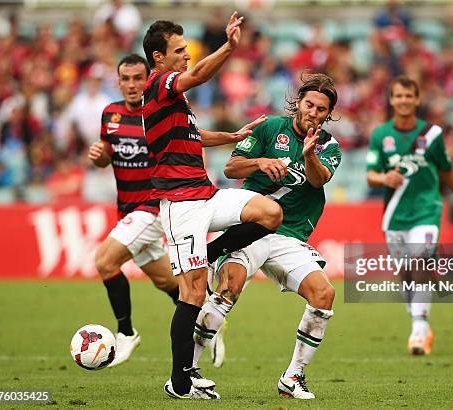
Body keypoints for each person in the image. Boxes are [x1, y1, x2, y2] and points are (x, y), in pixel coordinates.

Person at [141, 15, 283, 400]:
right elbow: (201, 74)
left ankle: (212, 252)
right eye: (179, 51)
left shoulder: (173, 99)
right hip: (180, 206)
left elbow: (192, 134)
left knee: (269, 213)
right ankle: (179, 382)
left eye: (187, 50)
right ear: (158, 58)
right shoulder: (159, 84)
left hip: (205, 194)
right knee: (194, 293)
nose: (187, 56)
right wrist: (231, 47)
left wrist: (232, 136)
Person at [191, 72, 341, 400]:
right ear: (298, 103)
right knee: (229, 288)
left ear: (328, 114)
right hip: (253, 228)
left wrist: (309, 154)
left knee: (324, 295)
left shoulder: (330, 146)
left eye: (321, 109)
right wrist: (260, 162)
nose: (313, 112)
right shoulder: (270, 127)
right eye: (309, 104)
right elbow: (231, 169)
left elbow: (318, 181)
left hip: (289, 236)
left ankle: (293, 377)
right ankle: (189, 373)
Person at [366, 75, 453, 355]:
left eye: (408, 96)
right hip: (395, 216)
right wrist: (383, 178)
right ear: (391, 100)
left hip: (427, 210)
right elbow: (369, 175)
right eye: (398, 96)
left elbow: (449, 172)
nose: (403, 100)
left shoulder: (432, 134)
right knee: (405, 274)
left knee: (420, 263)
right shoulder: (380, 135)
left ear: (416, 99)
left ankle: (418, 329)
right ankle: (423, 318)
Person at [88, 54, 179, 368]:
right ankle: (207, 317)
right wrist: (99, 155)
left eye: (138, 78)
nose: (131, 85)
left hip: (153, 207)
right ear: (119, 81)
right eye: (125, 79)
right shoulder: (110, 114)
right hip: (127, 210)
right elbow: (104, 159)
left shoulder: (160, 113)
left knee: (104, 261)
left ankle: (125, 332)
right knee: (167, 282)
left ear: (148, 79)